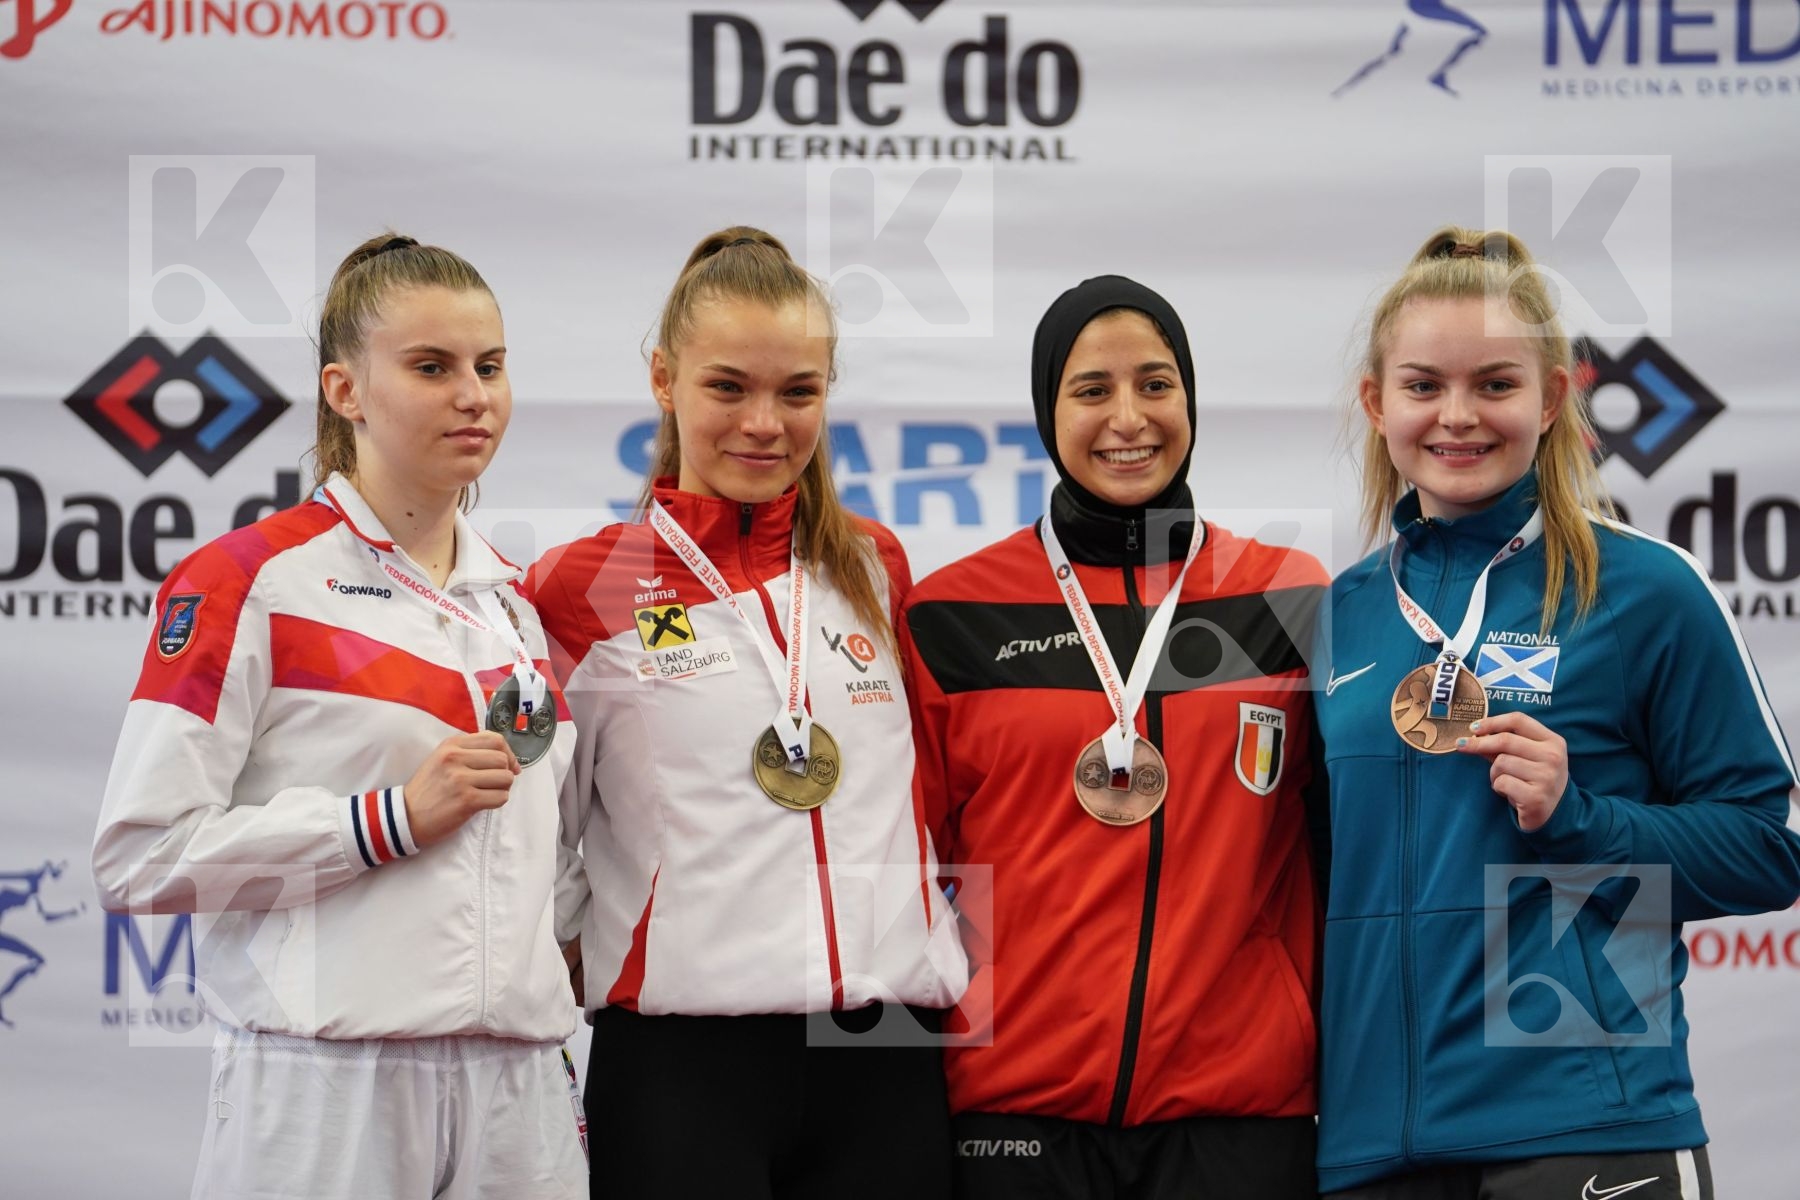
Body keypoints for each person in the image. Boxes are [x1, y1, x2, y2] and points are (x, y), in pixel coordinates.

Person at [92, 234, 588, 1199]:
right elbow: (137, 855)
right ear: (345, 389)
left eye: (489, 366)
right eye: (431, 367)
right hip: (328, 1083)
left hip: (519, 1088)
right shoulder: (251, 581)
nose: (473, 395)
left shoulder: (515, 609)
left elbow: (547, 864)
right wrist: (382, 820)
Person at [1312, 227, 1800, 1199]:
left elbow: (1768, 848)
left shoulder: (1643, 589)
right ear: (1377, 403)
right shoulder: (1337, 616)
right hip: (1374, 1151)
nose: (1457, 417)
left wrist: (1582, 820)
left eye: (1495, 384)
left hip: (1587, 1125)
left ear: (1553, 398)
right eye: (1423, 387)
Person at [527, 225, 968, 1199]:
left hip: (884, 1051)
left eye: (797, 392)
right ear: (663, 379)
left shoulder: (874, 565)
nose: (764, 423)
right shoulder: (581, 588)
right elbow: (534, 830)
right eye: (728, 386)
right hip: (685, 1064)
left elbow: (930, 798)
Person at [899, 275, 1328, 1199]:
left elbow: (1341, 855)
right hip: (1013, 1117)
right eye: (1091, 390)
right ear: (1047, 410)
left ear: (1191, 399)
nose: (1128, 417)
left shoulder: (1287, 596)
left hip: (1240, 1117)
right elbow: (894, 874)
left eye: (1156, 384)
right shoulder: (950, 613)